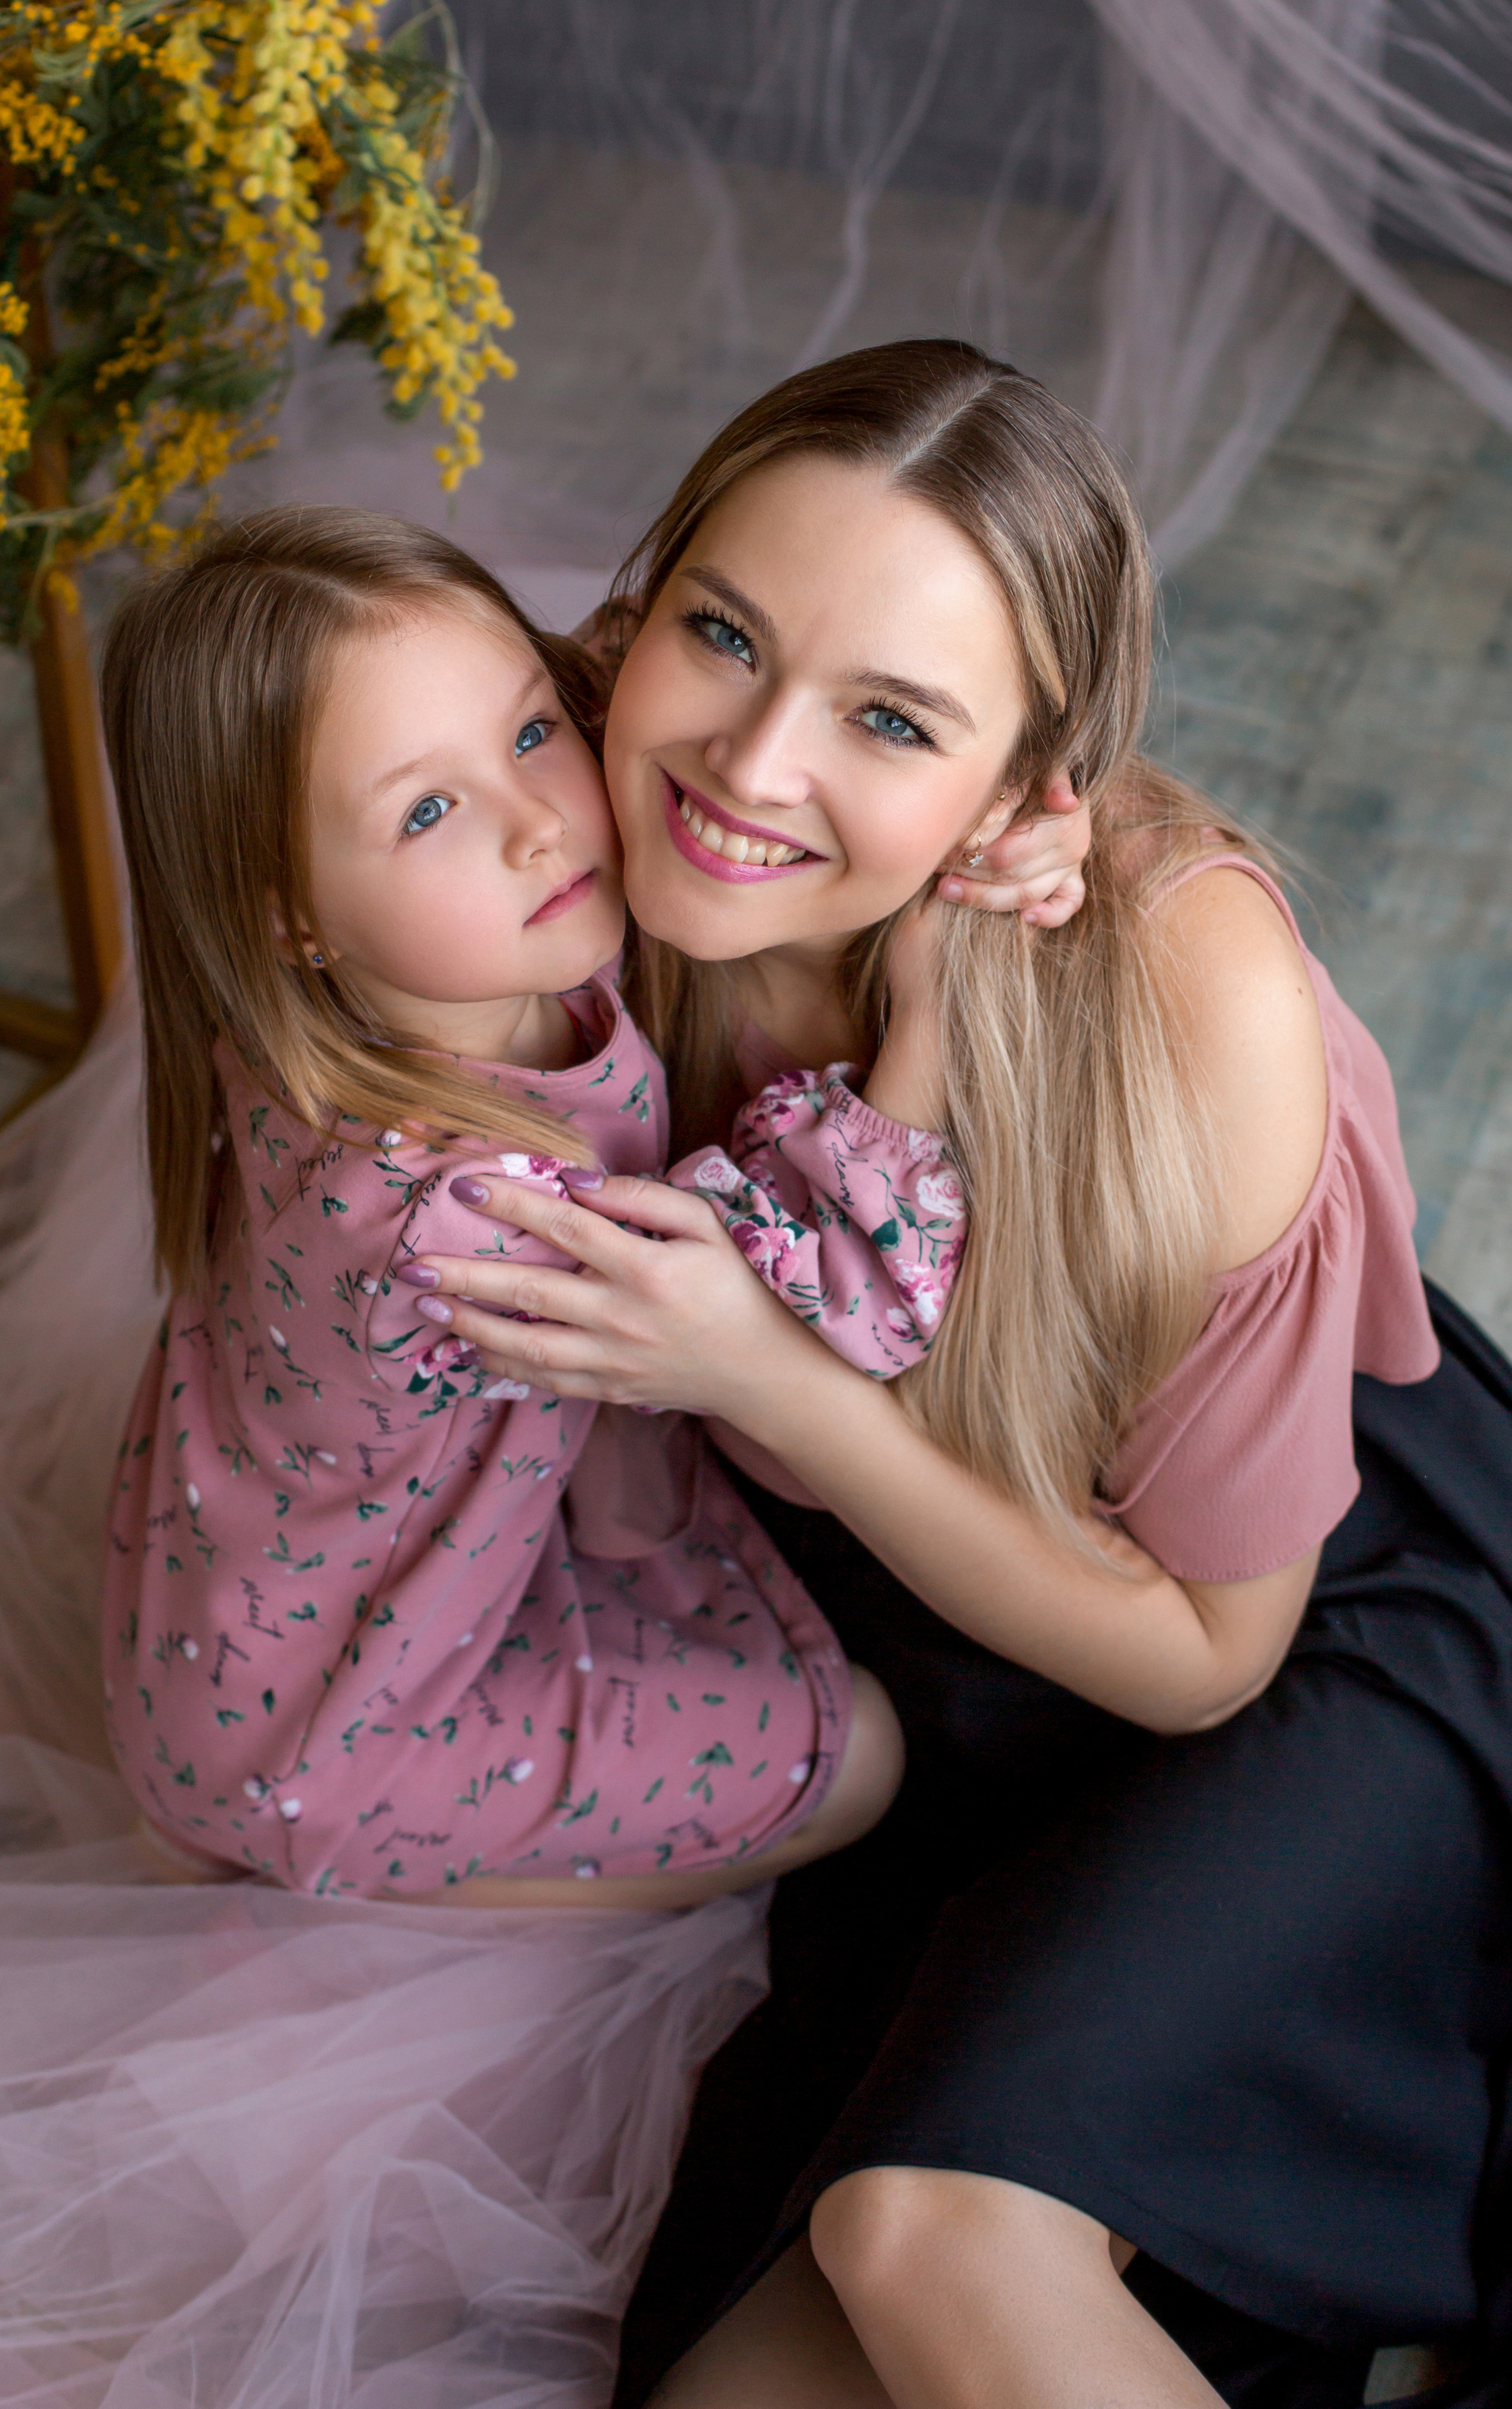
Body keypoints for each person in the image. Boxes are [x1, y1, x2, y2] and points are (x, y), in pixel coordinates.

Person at [386, 340, 1512, 2409]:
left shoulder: (1178, 986)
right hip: (949, 1696)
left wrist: (771, 1379)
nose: (750, 762)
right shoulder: (557, 852)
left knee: (934, 2233)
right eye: (722, 633)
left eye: (891, 719)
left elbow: (1205, 1660)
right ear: (638, 606)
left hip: (1325, 1639)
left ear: (1023, 791)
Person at [99, 506, 949, 1901]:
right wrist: (924, 1026)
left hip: (256, 1628)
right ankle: (350, 1895)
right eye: (425, 811)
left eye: (531, 733)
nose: (536, 823)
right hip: (326, 1738)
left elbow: (631, 695)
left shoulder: (361, 995)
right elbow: (841, 1293)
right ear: (286, 914)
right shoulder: (453, 1216)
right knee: (855, 1759)